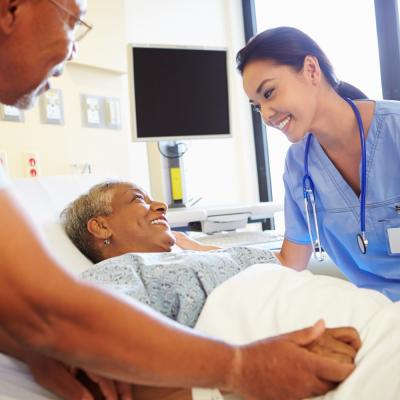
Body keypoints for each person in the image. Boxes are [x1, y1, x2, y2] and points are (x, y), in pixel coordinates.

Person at [0, 2, 359, 398]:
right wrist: (241, 367)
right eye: (73, 21)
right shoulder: (125, 273)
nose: (74, 48)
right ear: (11, 9)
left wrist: (34, 351)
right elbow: (52, 316)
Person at [60, 180, 363, 400]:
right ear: (101, 227)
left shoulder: (197, 257)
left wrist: (201, 249)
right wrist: (242, 379)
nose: (160, 205)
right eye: (137, 198)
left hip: (336, 313)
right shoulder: (116, 273)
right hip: (305, 349)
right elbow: (105, 372)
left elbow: (288, 263)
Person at [236, 26, 400, 301]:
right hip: (376, 315)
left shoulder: (395, 130)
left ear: (311, 69)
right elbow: (290, 263)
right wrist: (209, 257)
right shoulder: (299, 165)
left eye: (269, 93)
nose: (265, 115)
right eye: (256, 106)